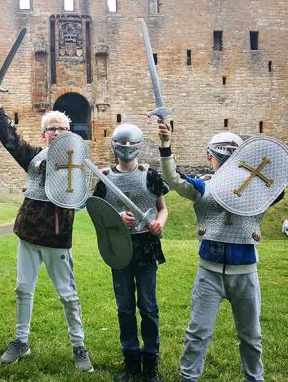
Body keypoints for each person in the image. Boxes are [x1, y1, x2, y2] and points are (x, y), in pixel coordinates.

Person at [157, 123, 285, 382]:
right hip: (209, 273)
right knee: (198, 333)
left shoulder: (259, 190)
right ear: (209, 158)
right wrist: (166, 145)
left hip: (245, 273)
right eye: (219, 156)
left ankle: (254, 378)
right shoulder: (203, 188)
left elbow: (279, 185)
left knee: (252, 335)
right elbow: (173, 179)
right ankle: (188, 378)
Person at [0, 91, 93, 372]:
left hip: (58, 238)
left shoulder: (78, 163)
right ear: (44, 133)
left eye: (62, 129)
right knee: (23, 289)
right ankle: (21, 341)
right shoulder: (33, 157)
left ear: (69, 133)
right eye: (51, 128)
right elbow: (10, 139)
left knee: (68, 294)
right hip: (29, 234)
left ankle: (79, 346)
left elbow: (91, 194)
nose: (56, 132)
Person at [93, 123, 169, 382]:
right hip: (119, 248)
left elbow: (162, 208)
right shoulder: (104, 178)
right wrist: (115, 218)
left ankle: (150, 362)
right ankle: (130, 360)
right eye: (121, 145)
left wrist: (160, 223)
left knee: (148, 306)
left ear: (139, 146)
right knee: (125, 307)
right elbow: (97, 215)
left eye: (130, 145)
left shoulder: (151, 176)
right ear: (114, 145)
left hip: (146, 246)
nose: (125, 149)